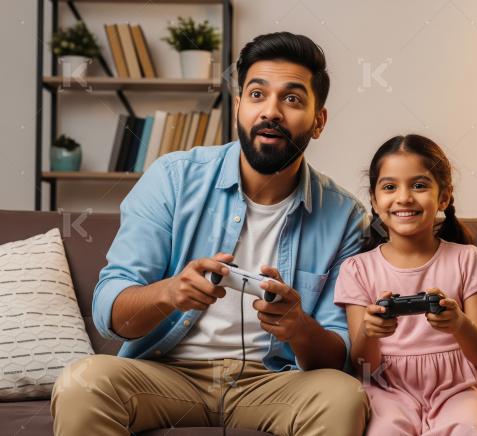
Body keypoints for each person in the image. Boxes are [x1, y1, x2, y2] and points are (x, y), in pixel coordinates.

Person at [51, 32, 370, 436]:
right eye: (256, 94)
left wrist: (297, 325)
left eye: (292, 99)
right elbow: (109, 314)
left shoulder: (344, 216)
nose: (270, 111)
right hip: (165, 376)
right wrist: (170, 292)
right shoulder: (173, 178)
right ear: (238, 106)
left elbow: (340, 355)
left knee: (343, 395)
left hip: (271, 382)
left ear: (318, 121)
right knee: (83, 382)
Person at [334, 134, 477, 435]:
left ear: (443, 197)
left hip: (459, 388)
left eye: (419, 185)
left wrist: (458, 324)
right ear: (374, 199)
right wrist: (369, 332)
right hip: (388, 389)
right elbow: (361, 362)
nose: (404, 197)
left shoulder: (467, 259)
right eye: (390, 187)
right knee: (386, 430)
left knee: (466, 427)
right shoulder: (357, 269)